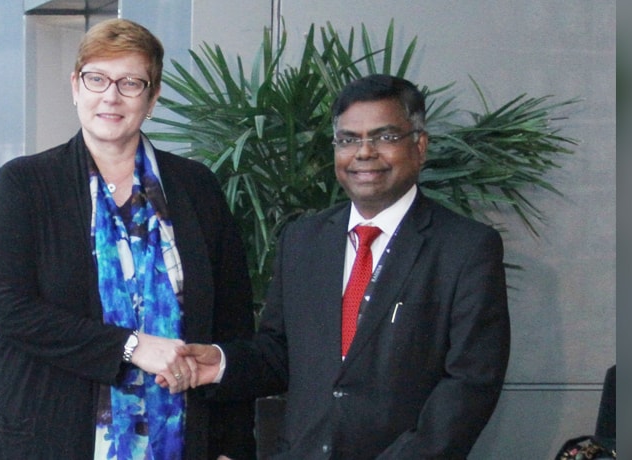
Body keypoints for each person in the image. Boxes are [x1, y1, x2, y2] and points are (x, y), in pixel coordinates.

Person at [173, 74, 511, 459]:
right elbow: (278, 353)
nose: (364, 152)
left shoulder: (465, 248)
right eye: (348, 140)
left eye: (384, 137)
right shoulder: (302, 240)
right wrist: (221, 364)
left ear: (419, 146)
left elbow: (470, 385)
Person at [0, 18, 256, 460]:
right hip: (45, 430)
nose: (111, 95)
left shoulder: (196, 187)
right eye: (97, 78)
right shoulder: (27, 184)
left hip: (181, 436)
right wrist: (131, 346)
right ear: (75, 85)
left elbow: (233, 323)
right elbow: (10, 308)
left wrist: (231, 444)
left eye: (131, 82)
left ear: (153, 95)